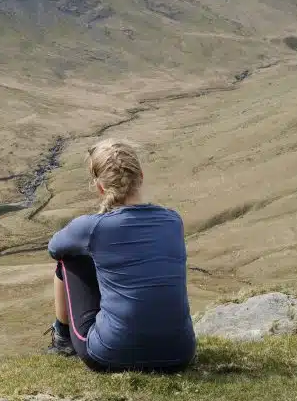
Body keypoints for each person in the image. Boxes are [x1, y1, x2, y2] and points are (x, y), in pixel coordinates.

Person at [45, 138, 196, 372]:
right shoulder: (173, 220)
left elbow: (55, 248)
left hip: (110, 354)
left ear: (100, 187)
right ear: (141, 176)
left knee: (69, 259)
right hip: (179, 354)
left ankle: (62, 339)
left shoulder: (92, 227)